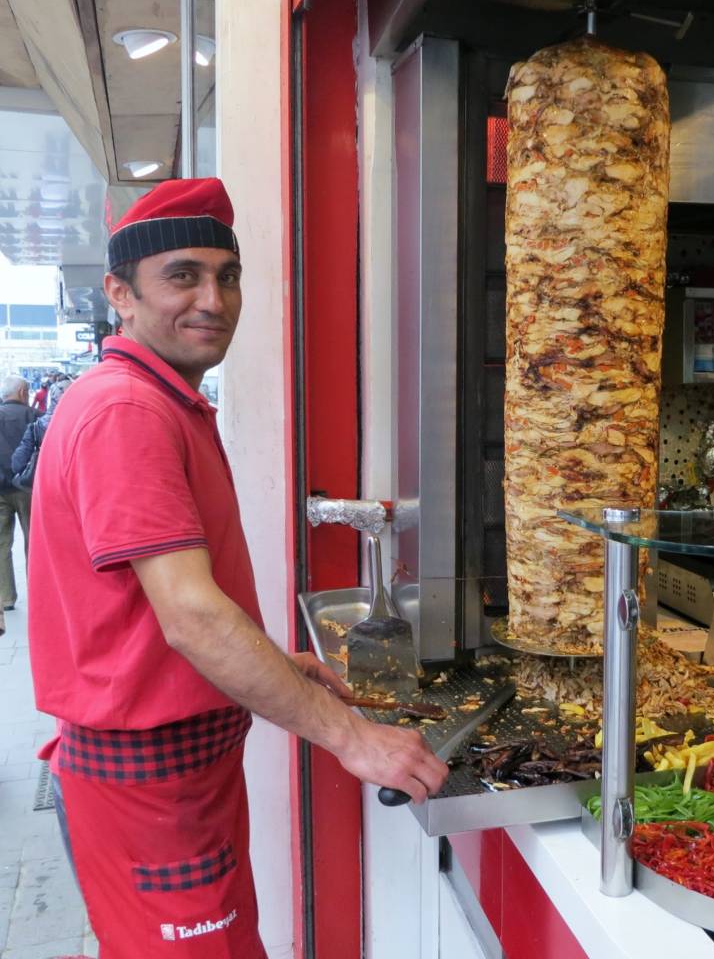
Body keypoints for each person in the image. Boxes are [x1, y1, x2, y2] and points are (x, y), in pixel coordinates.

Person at [28, 178, 448, 958]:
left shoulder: (159, 400)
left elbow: (150, 614)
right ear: (120, 293)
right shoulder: (128, 411)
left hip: (176, 770)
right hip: (150, 784)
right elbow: (190, 616)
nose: (213, 300)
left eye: (228, 275)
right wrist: (350, 737)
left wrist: (276, 671)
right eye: (182, 276)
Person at [0, 374, 34, 623]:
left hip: (0, 489)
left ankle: (6, 597)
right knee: (33, 541)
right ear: (23, 392)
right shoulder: (33, 416)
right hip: (27, 488)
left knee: (2, 544)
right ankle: (37, 590)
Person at [11, 378, 72, 489]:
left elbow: (18, 464)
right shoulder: (86, 424)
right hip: (75, 489)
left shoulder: (38, 426)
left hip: (46, 486)